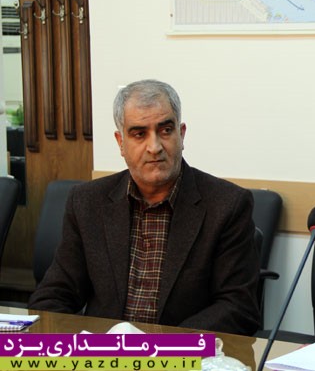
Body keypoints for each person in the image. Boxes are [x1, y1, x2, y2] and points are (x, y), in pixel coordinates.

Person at [29, 79, 260, 335]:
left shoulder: (227, 205)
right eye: (139, 134)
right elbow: (53, 296)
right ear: (120, 142)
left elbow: (238, 308)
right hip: (104, 353)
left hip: (183, 353)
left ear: (181, 134)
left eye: (165, 130)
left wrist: (159, 346)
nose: (155, 147)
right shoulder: (87, 202)